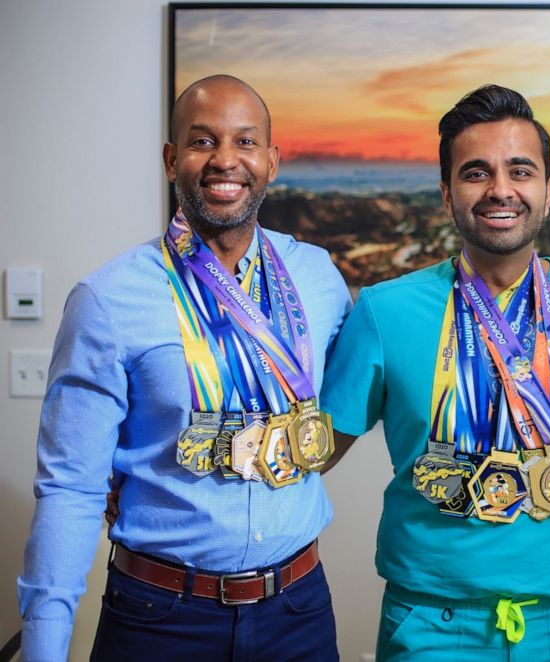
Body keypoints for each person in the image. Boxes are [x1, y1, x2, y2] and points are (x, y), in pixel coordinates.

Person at [17, 75, 351, 661]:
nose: (226, 160)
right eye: (202, 141)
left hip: (298, 610)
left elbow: (356, 396)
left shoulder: (319, 278)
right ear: (172, 160)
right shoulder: (107, 298)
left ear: (271, 161)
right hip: (159, 618)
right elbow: (70, 487)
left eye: (245, 142)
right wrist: (45, 649)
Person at [321, 84, 550, 660]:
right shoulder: (382, 312)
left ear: (548, 191)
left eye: (520, 170)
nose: (500, 189)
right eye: (476, 172)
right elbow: (310, 453)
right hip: (431, 623)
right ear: (447, 194)